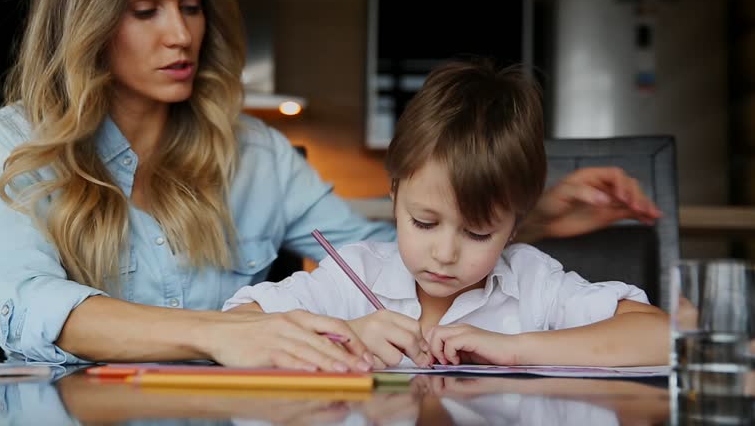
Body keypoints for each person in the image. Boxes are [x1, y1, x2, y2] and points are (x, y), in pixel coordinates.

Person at [0, 0, 661, 370]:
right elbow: (26, 306)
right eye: (145, 10)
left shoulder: (258, 155)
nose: (182, 34)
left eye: (192, 4)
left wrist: (523, 216)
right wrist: (227, 336)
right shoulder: (14, 140)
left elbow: (392, 259)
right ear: (85, 21)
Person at [224, 61, 669, 369]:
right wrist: (346, 334)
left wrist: (515, 349)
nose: (444, 253)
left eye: (478, 232)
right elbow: (237, 325)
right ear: (395, 193)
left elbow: (663, 337)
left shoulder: (532, 283)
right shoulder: (353, 274)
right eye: (424, 222)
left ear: (516, 224)